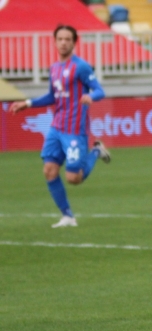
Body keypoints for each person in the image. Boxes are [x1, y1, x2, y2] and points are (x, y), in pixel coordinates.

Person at [9, 25, 110, 228]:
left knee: (73, 178)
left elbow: (100, 90)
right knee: (49, 170)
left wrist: (91, 96)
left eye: (67, 39)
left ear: (74, 42)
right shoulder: (54, 68)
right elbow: (52, 97)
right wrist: (27, 103)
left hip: (75, 129)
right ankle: (67, 216)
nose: (63, 43)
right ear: (55, 42)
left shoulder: (81, 67)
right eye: (60, 39)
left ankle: (96, 151)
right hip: (56, 127)